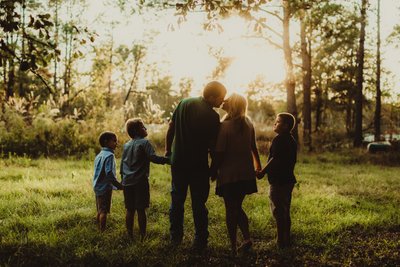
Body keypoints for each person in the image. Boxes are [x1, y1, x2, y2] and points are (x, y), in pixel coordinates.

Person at [165, 81, 227, 250]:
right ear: (212, 96)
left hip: (178, 161)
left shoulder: (184, 103)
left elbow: (171, 128)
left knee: (177, 200)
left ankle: (175, 237)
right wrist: (214, 168)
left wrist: (168, 151)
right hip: (198, 165)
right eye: (221, 98)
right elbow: (213, 145)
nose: (222, 102)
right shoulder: (212, 117)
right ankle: (200, 240)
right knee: (198, 203)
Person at [210, 93, 262, 255]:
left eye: (227, 100)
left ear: (232, 105)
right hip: (245, 174)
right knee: (237, 207)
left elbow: (219, 152)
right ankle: (247, 239)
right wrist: (258, 167)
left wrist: (212, 170)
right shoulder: (248, 123)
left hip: (229, 174)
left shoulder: (224, 126)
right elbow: (253, 148)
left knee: (230, 210)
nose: (223, 101)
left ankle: (233, 246)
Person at [121, 118, 169, 240]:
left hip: (127, 182)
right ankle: (143, 236)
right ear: (137, 130)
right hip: (140, 182)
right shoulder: (144, 143)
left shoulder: (126, 145)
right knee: (141, 209)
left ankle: (130, 235)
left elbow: (122, 165)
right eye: (143, 127)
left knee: (130, 209)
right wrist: (168, 160)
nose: (146, 129)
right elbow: (153, 158)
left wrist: (123, 180)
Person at [257, 112, 297, 249]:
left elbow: (275, 159)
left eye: (278, 121)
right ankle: (287, 238)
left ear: (285, 126)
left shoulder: (279, 139)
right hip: (288, 180)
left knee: (279, 211)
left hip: (279, 181)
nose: (275, 123)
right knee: (285, 210)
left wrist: (262, 171)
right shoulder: (291, 139)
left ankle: (281, 241)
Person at [93, 131, 123, 232]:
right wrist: (118, 185)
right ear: (106, 142)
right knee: (104, 212)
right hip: (105, 187)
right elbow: (109, 173)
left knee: (99, 210)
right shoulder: (110, 155)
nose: (116, 143)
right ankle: (102, 231)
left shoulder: (99, 155)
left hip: (97, 186)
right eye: (114, 141)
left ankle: (98, 229)